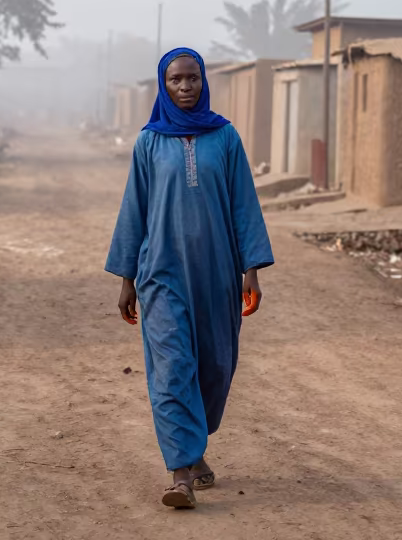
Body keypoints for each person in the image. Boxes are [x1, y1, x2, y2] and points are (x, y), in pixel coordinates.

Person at [105, 47, 274, 509]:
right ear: (163, 84)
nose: (184, 87)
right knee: (173, 368)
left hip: (217, 273)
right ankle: (179, 474)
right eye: (175, 80)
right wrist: (127, 277)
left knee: (216, 368)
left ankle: (194, 450)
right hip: (161, 273)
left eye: (192, 78)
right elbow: (133, 211)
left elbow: (244, 206)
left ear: (204, 81)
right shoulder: (149, 142)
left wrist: (251, 270)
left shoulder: (226, 138)